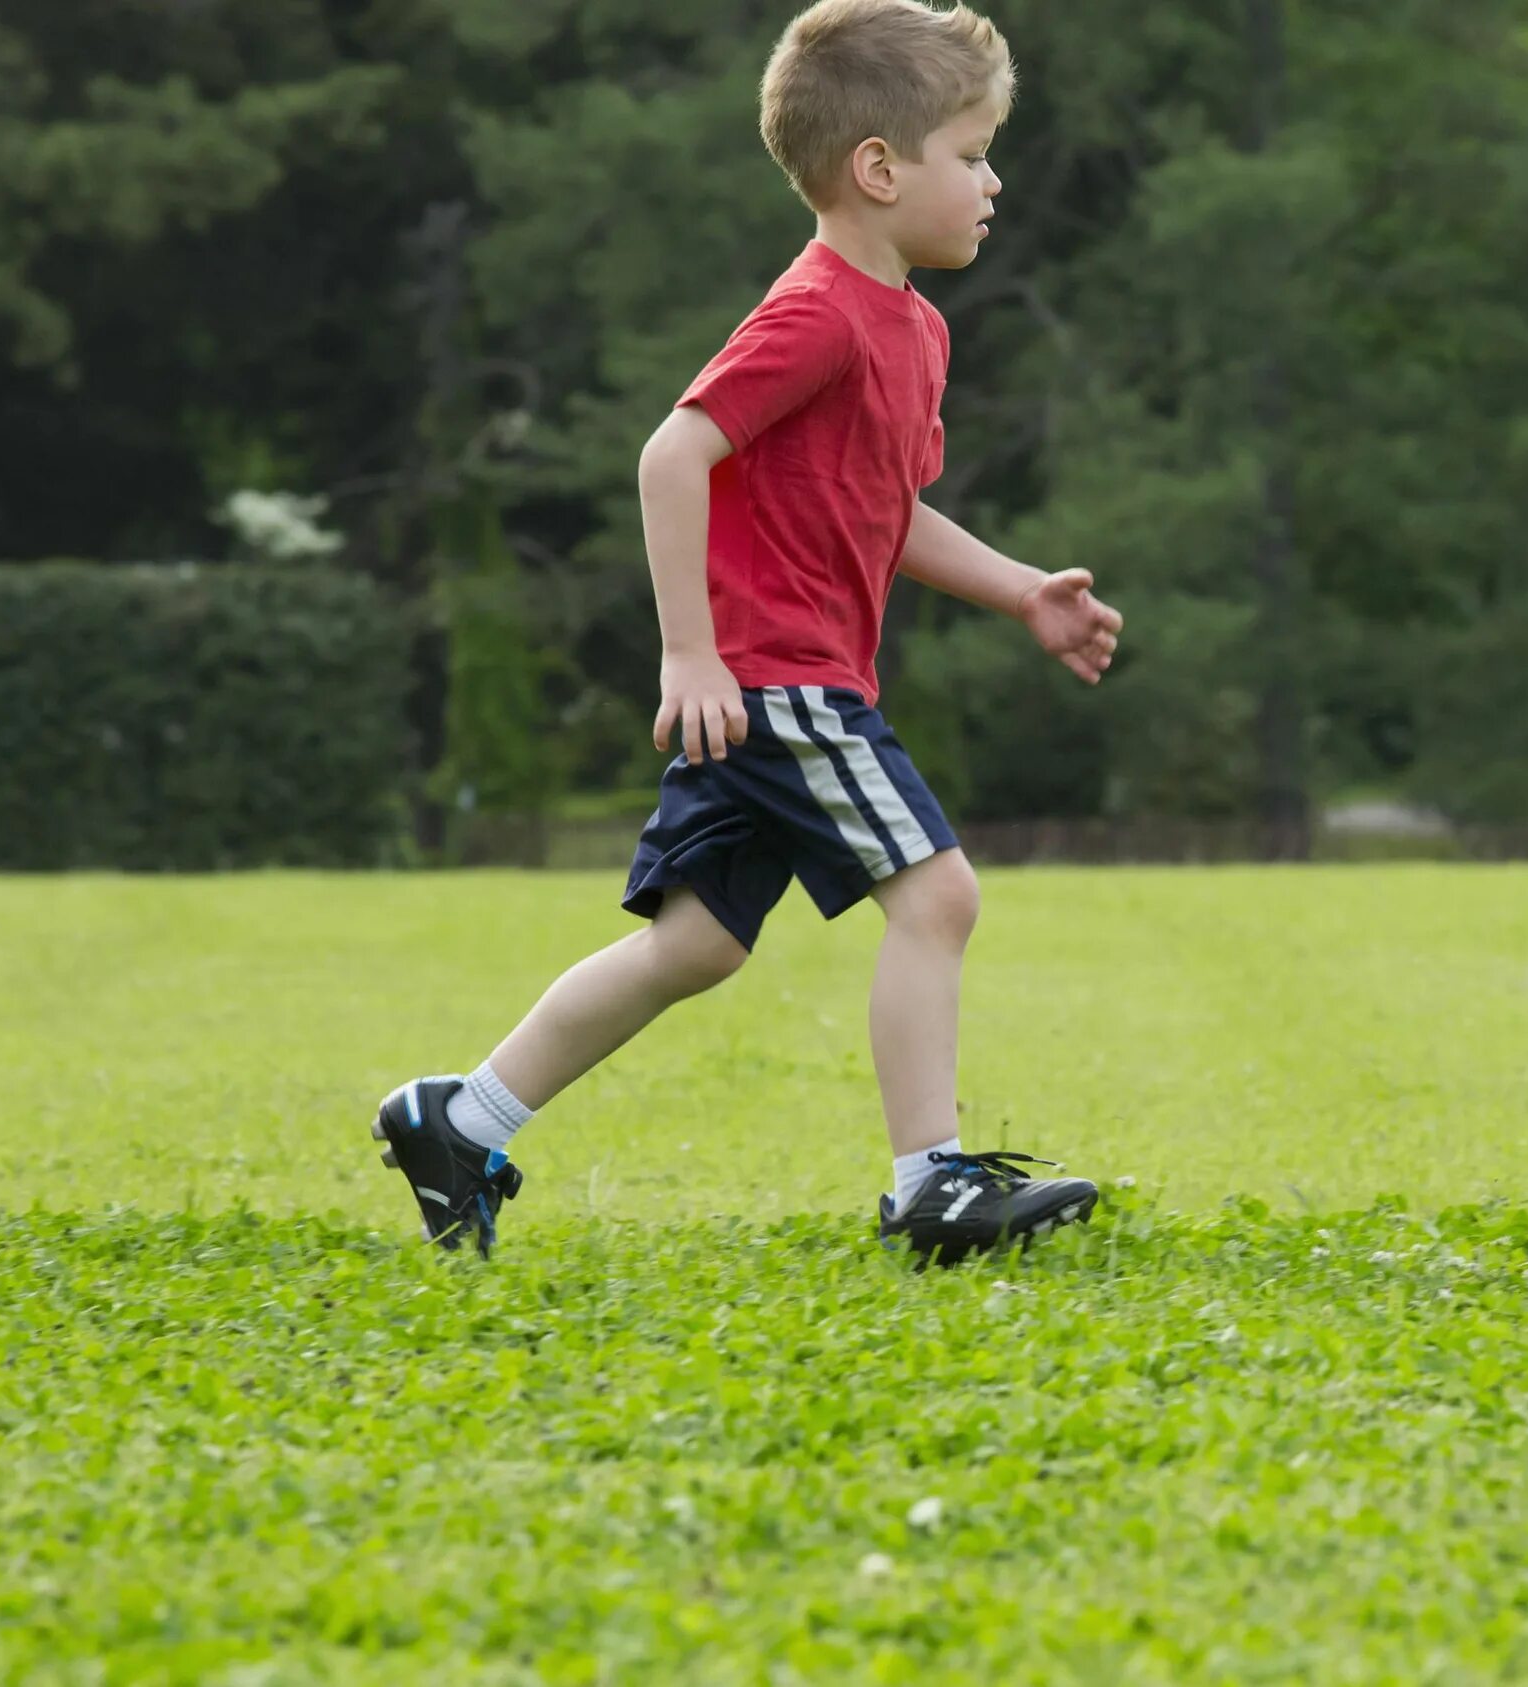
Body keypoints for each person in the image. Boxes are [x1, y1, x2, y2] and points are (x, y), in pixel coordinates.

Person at [371, 0, 1116, 1265]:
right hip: (780, 684)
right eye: (975, 152)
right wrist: (691, 652)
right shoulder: (820, 311)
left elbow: (893, 512)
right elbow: (675, 452)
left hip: (777, 682)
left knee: (697, 944)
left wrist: (1024, 590)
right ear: (879, 169)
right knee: (938, 896)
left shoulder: (914, 328)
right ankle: (931, 1184)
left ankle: (461, 1115)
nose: (996, 181)